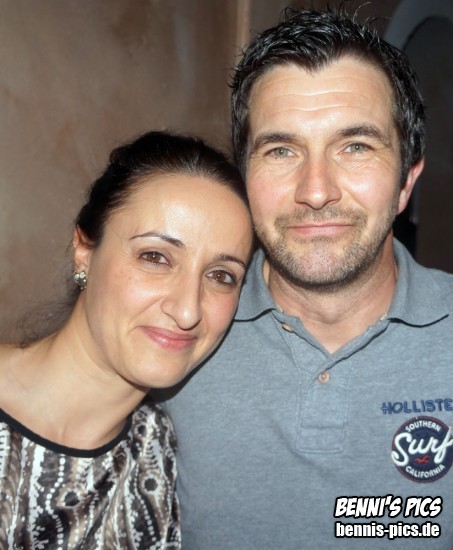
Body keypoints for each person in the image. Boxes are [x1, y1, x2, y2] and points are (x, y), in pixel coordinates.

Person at [156, 6, 453, 549]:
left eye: (355, 147)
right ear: (244, 177)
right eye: (281, 150)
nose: (315, 190)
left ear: (406, 183)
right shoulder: (175, 329)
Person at [0, 130, 253, 548]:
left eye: (221, 276)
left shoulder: (161, 448)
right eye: (155, 257)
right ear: (84, 252)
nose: (188, 310)